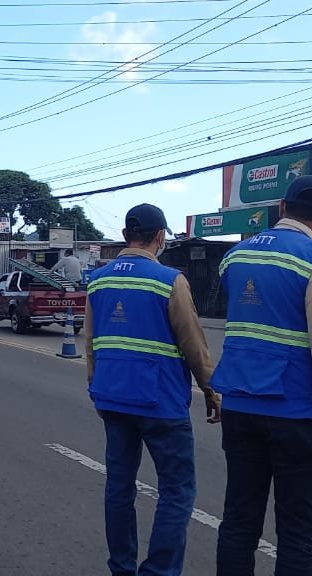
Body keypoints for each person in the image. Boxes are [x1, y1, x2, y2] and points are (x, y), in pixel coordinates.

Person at [212, 175, 312, 576]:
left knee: (239, 520)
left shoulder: (235, 256)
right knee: (298, 534)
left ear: (282, 208)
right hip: (297, 414)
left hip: (240, 408)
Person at [84, 203, 221, 576]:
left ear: (127, 236)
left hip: (113, 398)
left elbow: (91, 342)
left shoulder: (99, 280)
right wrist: (212, 390)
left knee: (119, 488)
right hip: (160, 403)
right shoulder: (168, 280)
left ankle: (122, 569)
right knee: (176, 491)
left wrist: (96, 389)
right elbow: (193, 343)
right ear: (160, 237)